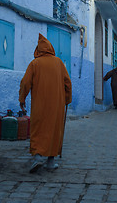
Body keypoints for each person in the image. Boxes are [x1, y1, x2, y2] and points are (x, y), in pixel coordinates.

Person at [19, 33, 72, 173]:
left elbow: (25, 83)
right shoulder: (59, 63)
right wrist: (67, 99)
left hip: (39, 105)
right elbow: (68, 83)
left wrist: (22, 98)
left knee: (38, 128)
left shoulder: (34, 63)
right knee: (55, 130)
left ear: (38, 50)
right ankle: (50, 162)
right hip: (57, 105)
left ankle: (37, 158)